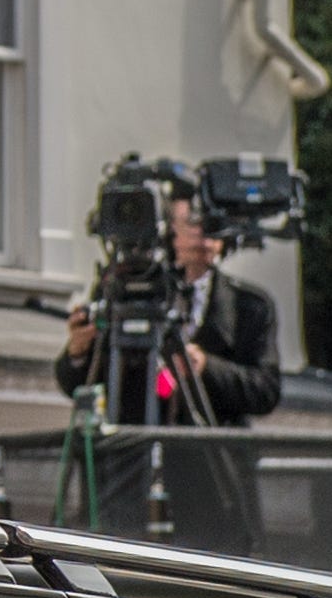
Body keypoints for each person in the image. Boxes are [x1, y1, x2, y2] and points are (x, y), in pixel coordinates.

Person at [56, 185, 281, 552]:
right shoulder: (124, 293)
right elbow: (83, 383)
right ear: (165, 230)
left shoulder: (249, 306)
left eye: (211, 223)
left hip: (211, 493)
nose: (203, 233)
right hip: (126, 484)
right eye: (190, 222)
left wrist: (206, 366)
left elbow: (267, 389)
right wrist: (78, 352)